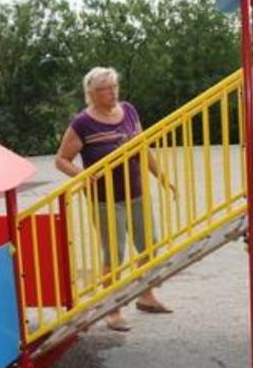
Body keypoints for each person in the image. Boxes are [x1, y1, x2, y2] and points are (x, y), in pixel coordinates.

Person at [55, 66, 173, 332]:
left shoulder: (128, 111)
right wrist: (82, 175)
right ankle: (112, 309)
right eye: (104, 89)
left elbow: (141, 147)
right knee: (114, 254)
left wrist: (161, 177)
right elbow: (61, 160)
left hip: (136, 191)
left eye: (114, 86)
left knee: (150, 245)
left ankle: (145, 295)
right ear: (91, 93)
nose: (112, 92)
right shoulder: (82, 123)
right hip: (106, 199)